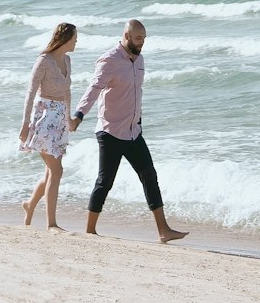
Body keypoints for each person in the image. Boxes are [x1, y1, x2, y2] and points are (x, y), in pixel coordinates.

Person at [70, 18, 187, 243]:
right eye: (137, 38)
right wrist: (79, 115)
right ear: (126, 36)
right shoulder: (109, 60)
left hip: (133, 131)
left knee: (149, 175)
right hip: (110, 131)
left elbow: (135, 94)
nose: (142, 43)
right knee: (105, 181)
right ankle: (89, 231)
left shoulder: (140, 59)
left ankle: (163, 231)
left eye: (143, 39)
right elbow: (93, 89)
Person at [19, 20, 77, 230]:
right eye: (74, 38)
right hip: (44, 118)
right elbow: (30, 92)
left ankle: (29, 205)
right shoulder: (44, 61)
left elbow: (67, 91)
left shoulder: (67, 61)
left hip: (60, 119)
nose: (76, 41)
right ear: (65, 39)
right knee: (57, 170)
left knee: (50, 171)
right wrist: (25, 124)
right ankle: (51, 224)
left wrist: (69, 119)